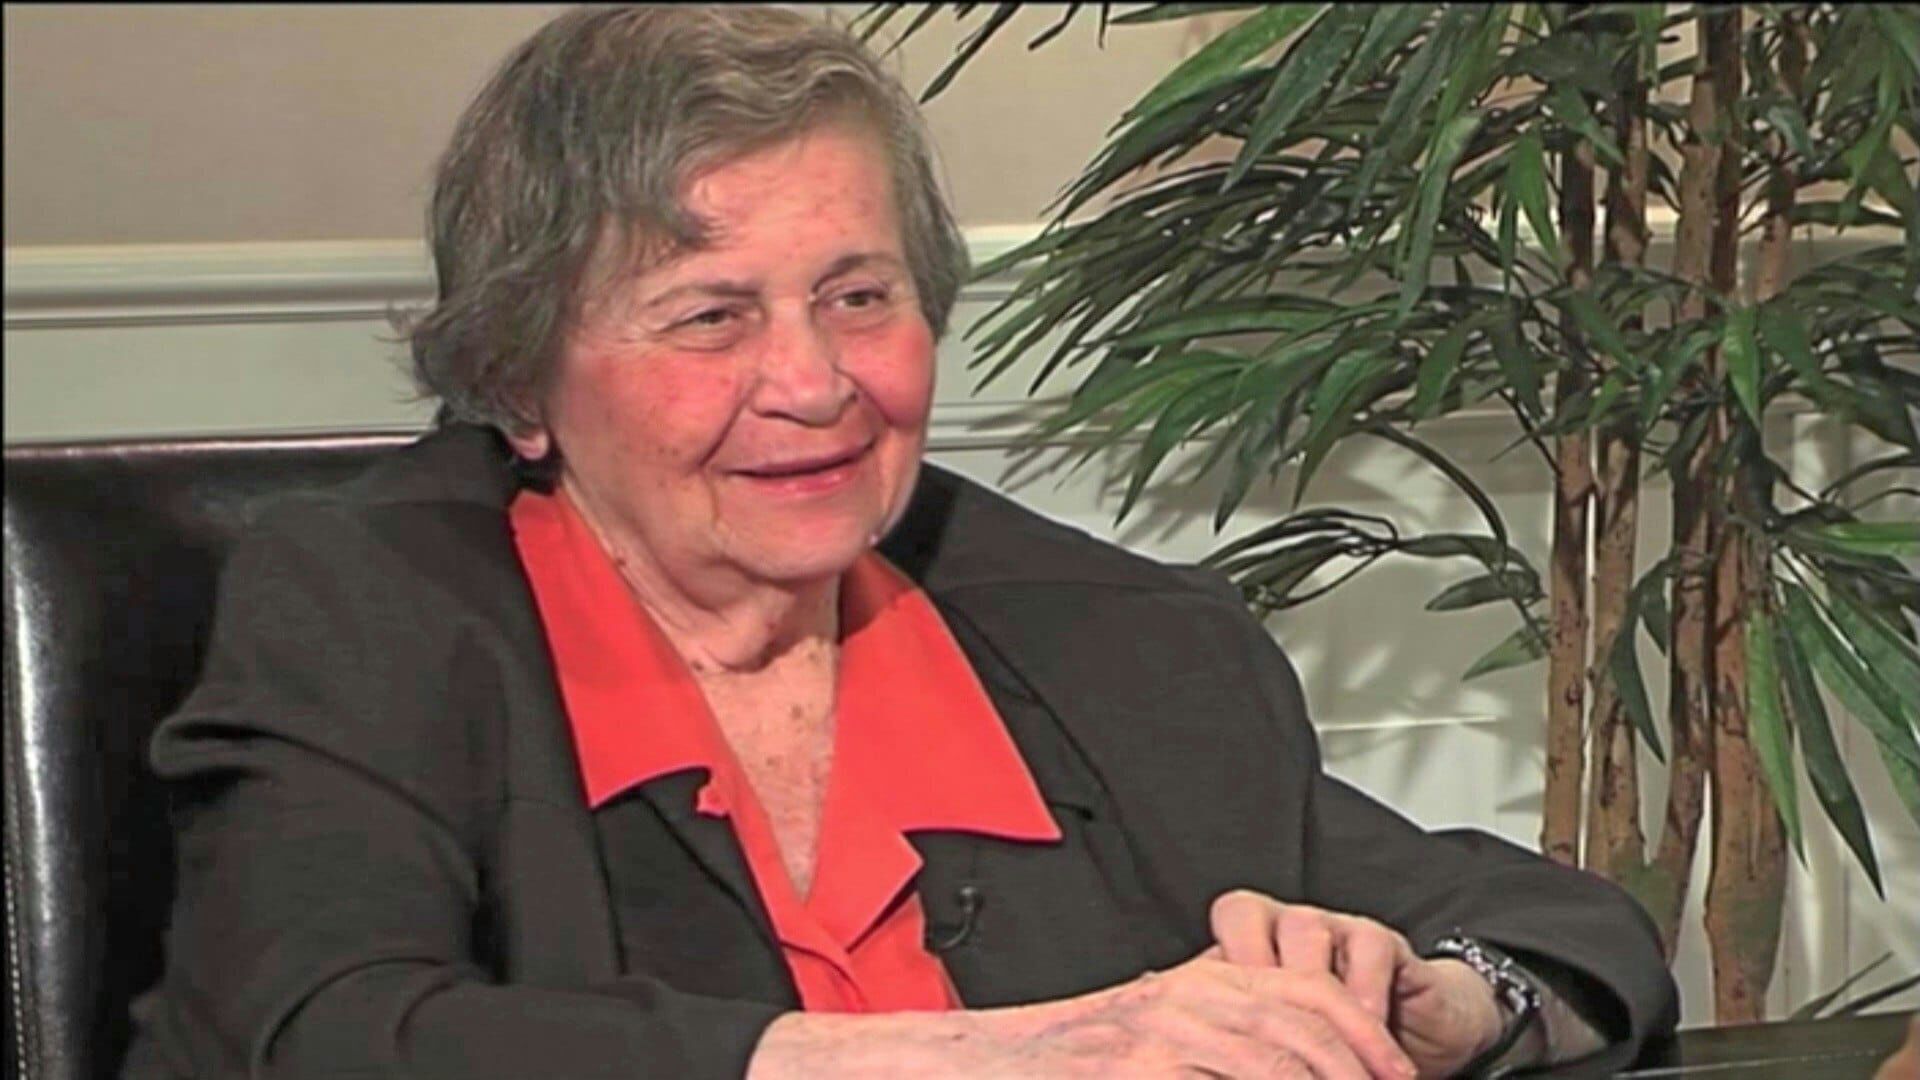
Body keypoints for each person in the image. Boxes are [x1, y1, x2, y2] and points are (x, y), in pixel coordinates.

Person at [123, 6, 1677, 1077]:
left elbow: (1561, 932)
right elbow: (320, 1035)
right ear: (521, 382)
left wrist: (1436, 1008)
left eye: (859, 297)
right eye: (710, 318)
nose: (813, 385)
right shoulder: (376, 609)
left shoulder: (1103, 636)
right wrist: (1007, 1055)